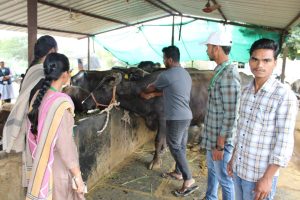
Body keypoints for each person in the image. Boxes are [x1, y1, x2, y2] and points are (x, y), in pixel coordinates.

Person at [227, 38, 298, 200]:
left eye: (266, 60)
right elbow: (241, 130)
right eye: (255, 59)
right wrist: (232, 159)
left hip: (260, 176)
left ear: (275, 63)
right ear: (250, 60)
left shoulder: (283, 96)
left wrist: (267, 178)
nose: (260, 65)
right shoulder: (245, 91)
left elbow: (284, 142)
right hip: (240, 169)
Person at [140, 46, 198, 197]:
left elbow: (148, 88)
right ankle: (179, 173)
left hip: (176, 117)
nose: (163, 61)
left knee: (174, 146)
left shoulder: (166, 75)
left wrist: (147, 90)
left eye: (164, 58)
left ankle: (189, 179)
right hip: (186, 116)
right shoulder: (185, 74)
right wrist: (154, 95)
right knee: (181, 146)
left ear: (170, 60)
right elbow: (172, 90)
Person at [26, 52, 85, 199]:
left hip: (41, 163)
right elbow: (65, 145)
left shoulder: (38, 96)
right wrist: (78, 176)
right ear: (65, 74)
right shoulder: (61, 103)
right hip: (58, 168)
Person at [200, 31, 241, 200]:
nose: (207, 50)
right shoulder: (220, 71)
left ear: (216, 48)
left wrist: (220, 145)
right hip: (213, 137)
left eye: (208, 47)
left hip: (220, 142)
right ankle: (210, 197)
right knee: (213, 172)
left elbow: (231, 114)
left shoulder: (229, 75)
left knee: (225, 179)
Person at [3, 35, 57, 153]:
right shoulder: (42, 75)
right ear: (52, 51)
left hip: (26, 128)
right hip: (36, 133)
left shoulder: (31, 71)